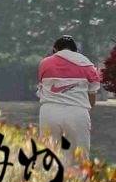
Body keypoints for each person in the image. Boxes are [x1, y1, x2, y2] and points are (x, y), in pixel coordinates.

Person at [37, 35, 100, 171]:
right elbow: (92, 97)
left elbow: (42, 87)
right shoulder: (87, 64)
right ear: (75, 50)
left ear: (55, 49)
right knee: (79, 157)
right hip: (77, 112)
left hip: (49, 112)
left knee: (48, 156)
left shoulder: (45, 63)